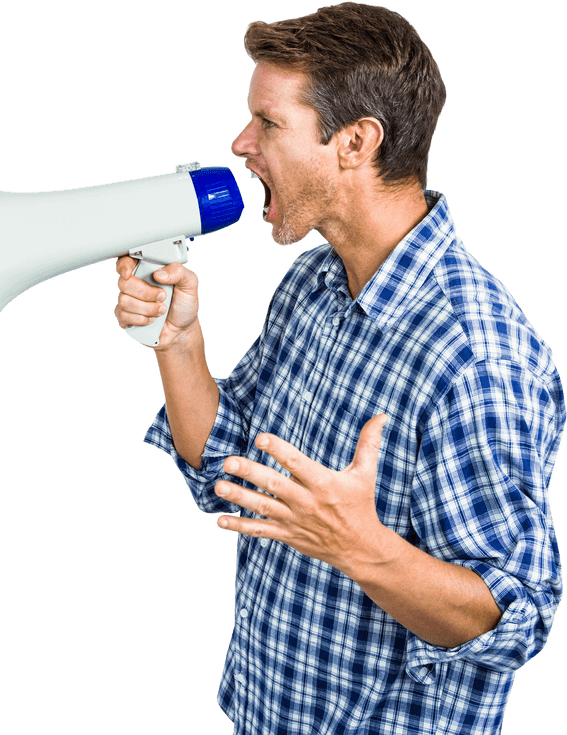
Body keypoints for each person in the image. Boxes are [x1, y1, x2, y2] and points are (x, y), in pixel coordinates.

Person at [113, 4, 563, 734]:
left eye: (268, 123)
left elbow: (518, 614)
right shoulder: (311, 286)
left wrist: (364, 547)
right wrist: (177, 341)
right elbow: (229, 473)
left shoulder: (476, 355)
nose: (240, 144)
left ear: (355, 141)